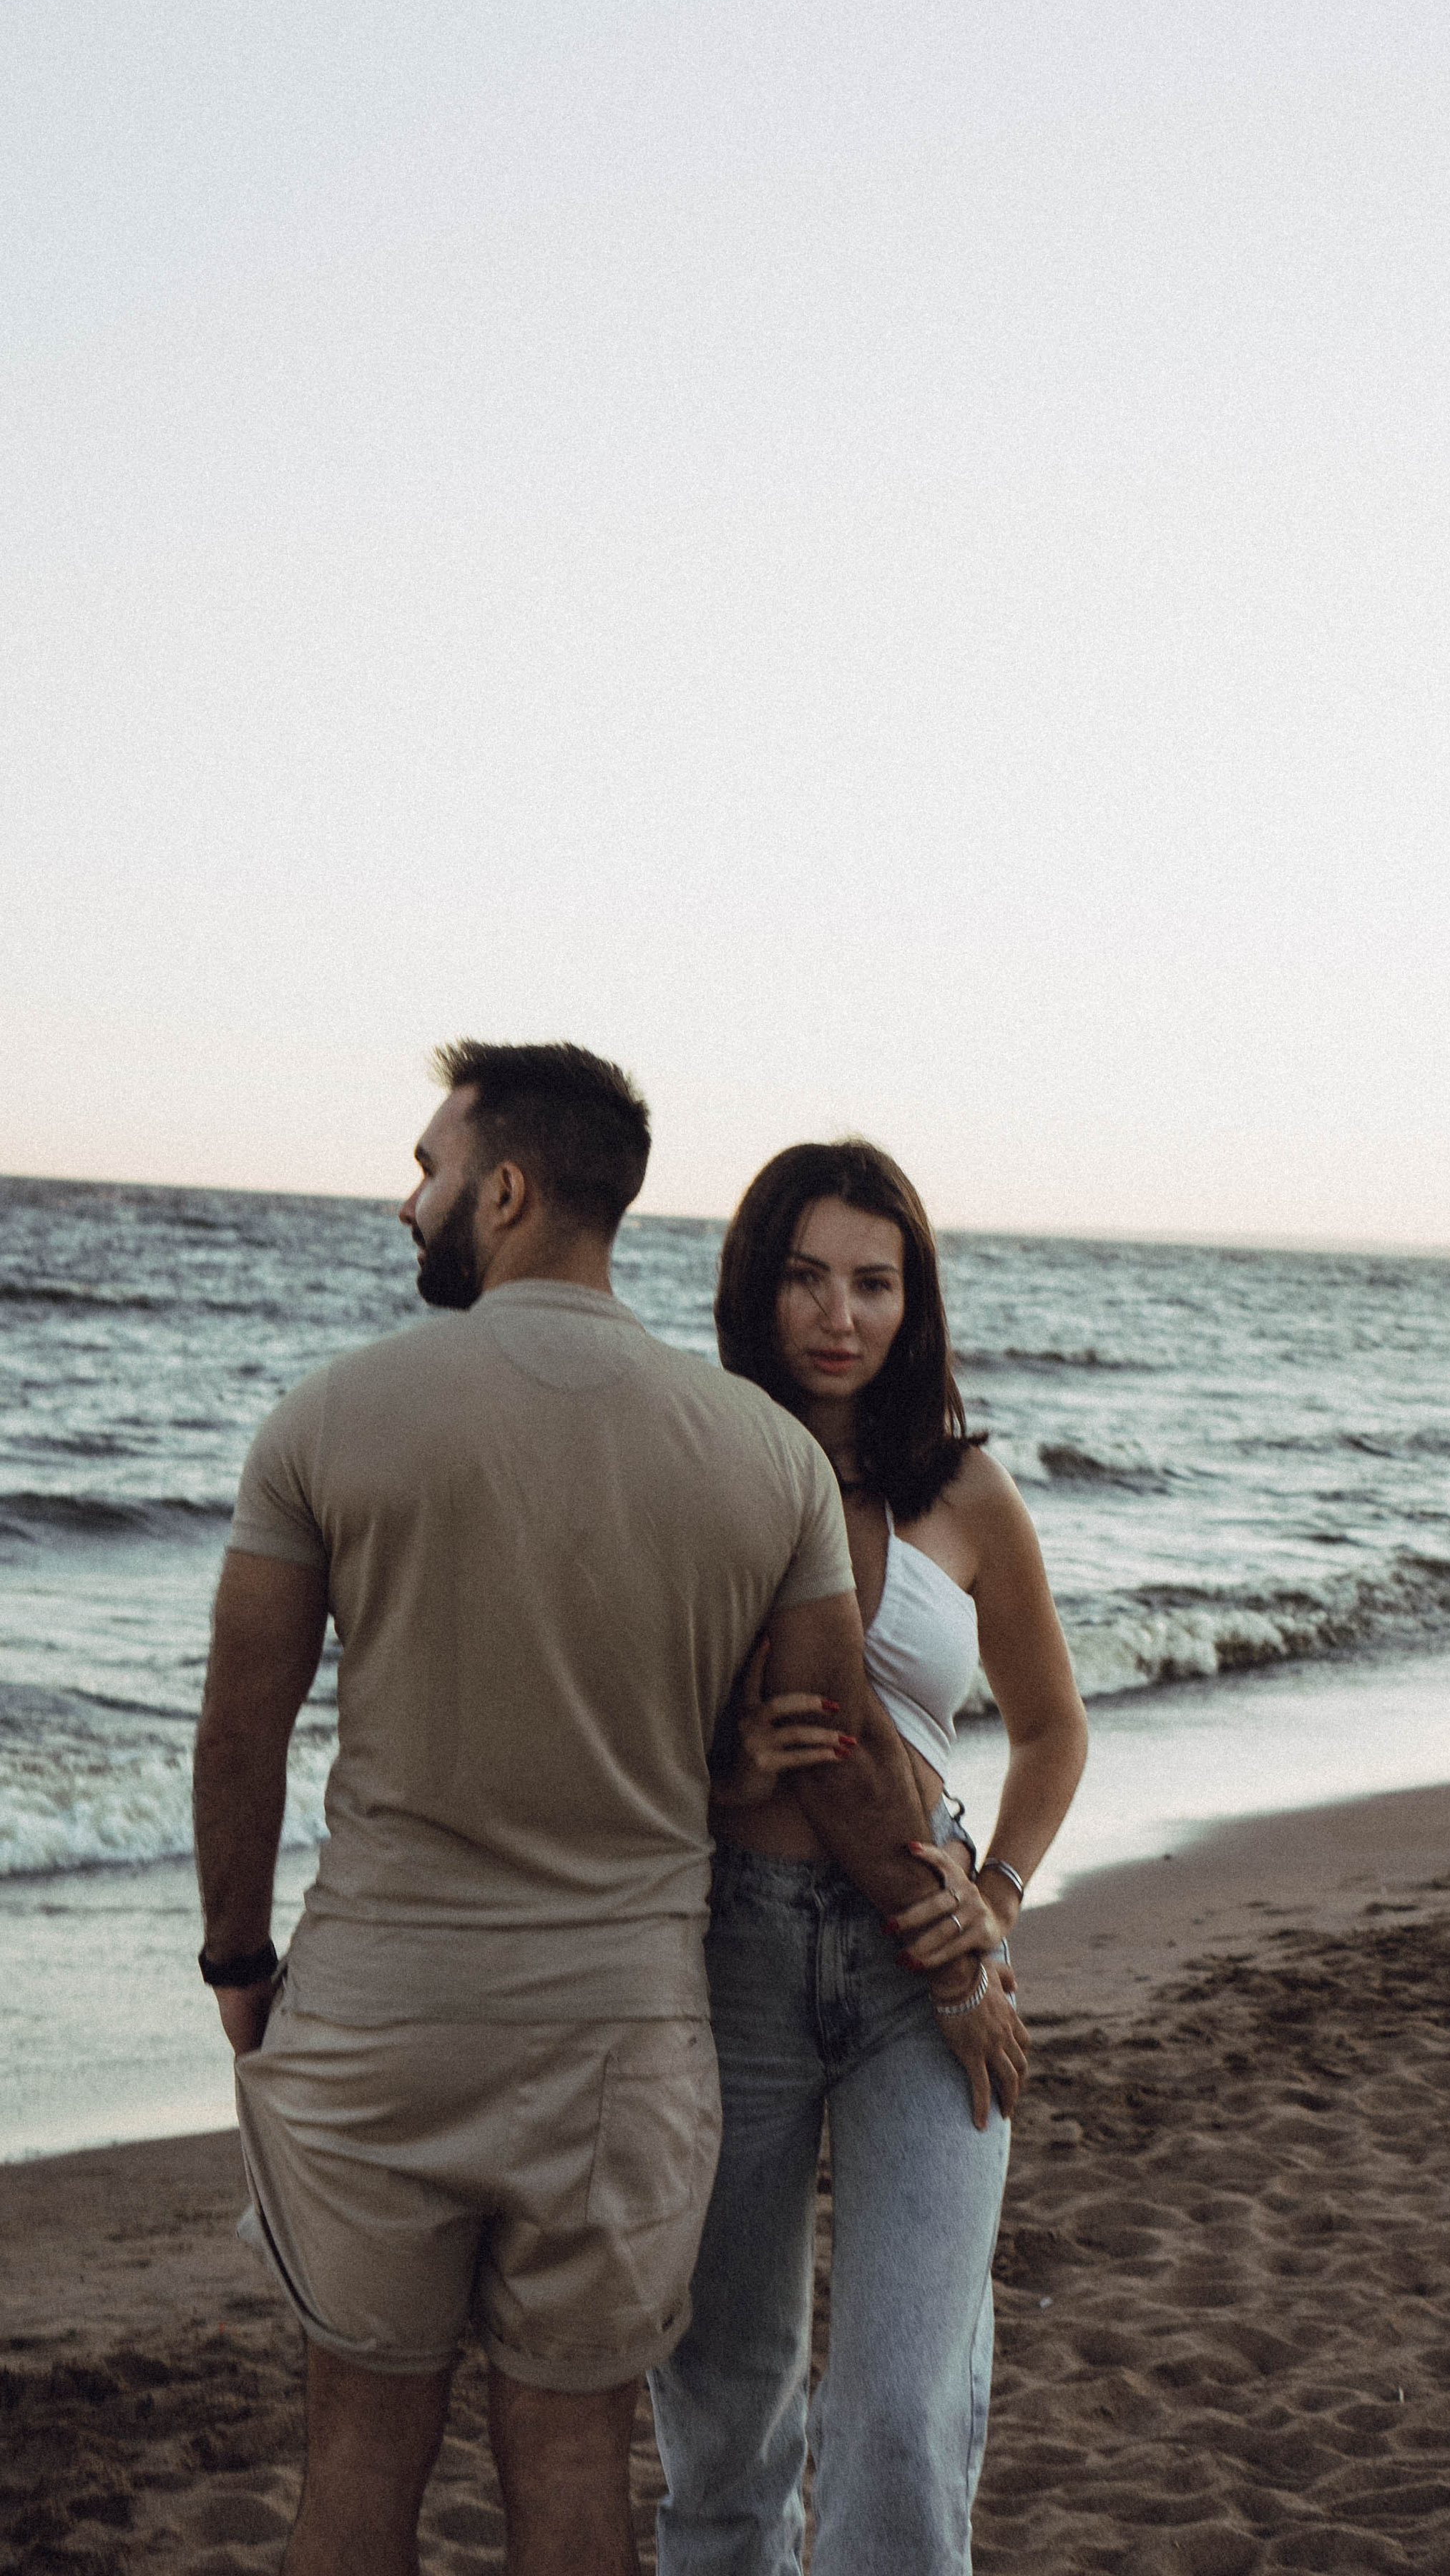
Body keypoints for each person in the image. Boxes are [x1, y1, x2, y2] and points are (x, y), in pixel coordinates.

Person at [192, 1046, 1027, 2576]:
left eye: (429, 1169)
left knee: (358, 2475)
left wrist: (240, 1970)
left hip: (383, 2020)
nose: (409, 1199)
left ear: (504, 1190)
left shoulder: (330, 1416)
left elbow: (240, 1732)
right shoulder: (757, 1457)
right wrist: (952, 1934)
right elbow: (836, 1746)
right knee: (576, 2475)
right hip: (632, 2036)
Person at [651, 1139, 1088, 2576]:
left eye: (872, 1282)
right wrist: (719, 1777)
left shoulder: (960, 1492)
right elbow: (603, 1720)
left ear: (914, 1303)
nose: (838, 1314)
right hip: (730, 1954)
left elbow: (1049, 1732)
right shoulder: (696, 1471)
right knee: (724, 2421)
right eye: (803, 1277)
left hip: (927, 1962)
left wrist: (999, 1897)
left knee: (899, 2410)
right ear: (752, 1288)